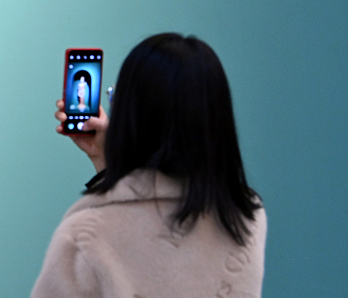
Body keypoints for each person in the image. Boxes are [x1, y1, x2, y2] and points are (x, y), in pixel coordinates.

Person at [32, 33, 266, 298]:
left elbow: (135, 226)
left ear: (132, 115)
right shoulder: (247, 217)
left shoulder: (84, 238)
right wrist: (107, 163)